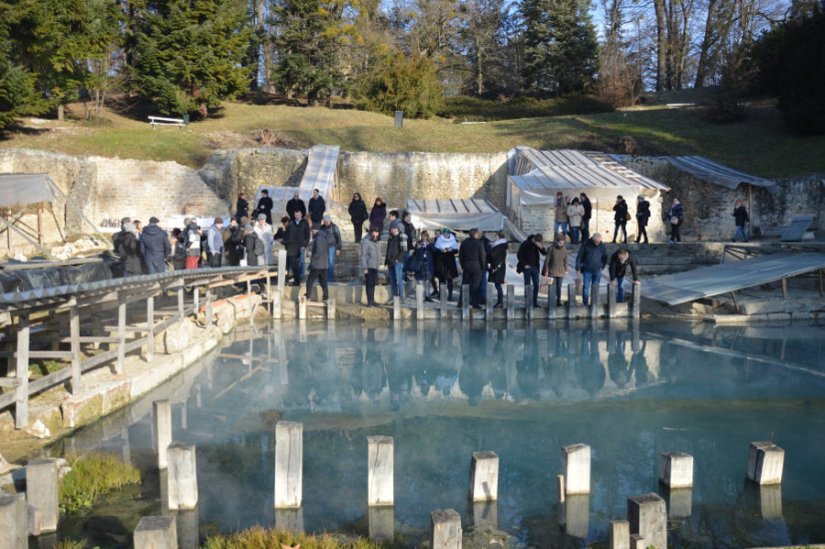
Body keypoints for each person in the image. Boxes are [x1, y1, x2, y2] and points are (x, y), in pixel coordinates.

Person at [576, 232, 607, 306]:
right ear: (593, 239)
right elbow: (579, 257)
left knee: (596, 286)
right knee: (586, 287)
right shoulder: (586, 244)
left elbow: (605, 258)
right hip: (587, 270)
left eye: (599, 241)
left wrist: (601, 267)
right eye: (596, 241)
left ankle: (594, 303)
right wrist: (578, 268)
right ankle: (585, 303)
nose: (598, 243)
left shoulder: (602, 246)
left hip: (597, 270)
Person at [458, 228, 486, 309]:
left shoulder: (464, 243)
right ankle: (475, 304)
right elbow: (482, 257)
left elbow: (460, 256)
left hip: (467, 266)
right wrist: (483, 267)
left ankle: (460, 302)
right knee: (475, 286)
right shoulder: (479, 244)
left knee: (464, 284)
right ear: (475, 234)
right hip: (477, 267)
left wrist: (463, 265)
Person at [517, 234, 546, 307]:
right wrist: (524, 265)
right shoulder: (525, 243)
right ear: (533, 240)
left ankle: (535, 302)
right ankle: (527, 302)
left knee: (536, 285)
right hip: (527, 268)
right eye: (536, 242)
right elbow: (519, 255)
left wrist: (540, 246)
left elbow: (544, 253)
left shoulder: (537, 244)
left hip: (535, 268)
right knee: (527, 285)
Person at [305, 225, 331, 301]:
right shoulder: (324, 237)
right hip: (324, 264)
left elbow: (318, 251)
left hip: (317, 264)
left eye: (312, 231)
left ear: (315, 230)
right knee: (323, 282)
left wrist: (312, 257)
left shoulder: (318, 238)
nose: (311, 232)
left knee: (310, 280)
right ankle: (326, 297)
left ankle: (308, 296)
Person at [285, 211, 310, 285]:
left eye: (298, 215)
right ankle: (296, 276)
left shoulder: (305, 222)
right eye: (296, 215)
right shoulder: (292, 223)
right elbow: (288, 234)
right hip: (293, 247)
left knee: (302, 261)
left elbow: (308, 235)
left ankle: (302, 276)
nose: (297, 216)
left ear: (301, 214)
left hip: (301, 246)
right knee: (294, 263)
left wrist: (305, 244)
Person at [543, 233, 568, 307]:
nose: (561, 244)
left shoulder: (564, 249)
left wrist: (566, 269)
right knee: (552, 288)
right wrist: (546, 271)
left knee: (559, 288)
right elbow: (547, 261)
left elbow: (566, 260)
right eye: (560, 242)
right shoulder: (551, 248)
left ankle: (558, 302)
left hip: (561, 271)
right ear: (557, 241)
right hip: (552, 271)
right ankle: (551, 302)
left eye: (563, 243)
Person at [434, 227, 459, 301]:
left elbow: (456, 250)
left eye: (447, 233)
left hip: (450, 262)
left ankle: (450, 295)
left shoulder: (453, 239)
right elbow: (436, 250)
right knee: (442, 279)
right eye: (445, 233)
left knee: (450, 279)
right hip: (442, 261)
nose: (446, 235)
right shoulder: (439, 239)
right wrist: (441, 250)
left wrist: (451, 250)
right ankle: (442, 295)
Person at [409, 231, 436, 297]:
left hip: (428, 264)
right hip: (421, 264)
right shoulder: (418, 243)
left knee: (427, 281)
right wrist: (418, 248)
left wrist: (429, 244)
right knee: (420, 280)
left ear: (427, 236)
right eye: (422, 236)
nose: (423, 237)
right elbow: (415, 253)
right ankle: (420, 295)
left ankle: (427, 295)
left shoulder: (430, 243)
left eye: (424, 236)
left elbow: (434, 251)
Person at [361, 227, 381, 307]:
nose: (376, 234)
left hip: (375, 266)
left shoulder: (377, 242)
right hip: (369, 266)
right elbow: (363, 255)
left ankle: (372, 300)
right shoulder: (366, 242)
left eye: (377, 233)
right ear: (372, 232)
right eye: (375, 232)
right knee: (369, 284)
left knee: (373, 284)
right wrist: (364, 267)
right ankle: (369, 302)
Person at [487, 231, 507, 308]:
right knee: (497, 284)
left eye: (496, 236)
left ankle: (500, 302)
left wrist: (489, 251)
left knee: (498, 285)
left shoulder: (499, 246)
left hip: (498, 267)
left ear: (498, 237)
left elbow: (493, 255)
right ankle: (500, 302)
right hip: (500, 267)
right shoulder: (502, 245)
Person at [385, 224, 405, 301]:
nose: (391, 230)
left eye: (392, 228)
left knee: (398, 279)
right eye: (391, 229)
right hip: (390, 262)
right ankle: (395, 297)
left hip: (398, 262)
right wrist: (386, 261)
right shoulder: (390, 238)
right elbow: (388, 250)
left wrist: (397, 259)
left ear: (396, 229)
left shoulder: (401, 237)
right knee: (392, 280)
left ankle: (401, 296)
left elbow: (403, 250)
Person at [321, 214, 342, 281]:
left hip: (331, 247)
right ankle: (324, 277)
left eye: (327, 222)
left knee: (330, 262)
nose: (326, 223)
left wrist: (338, 248)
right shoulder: (322, 227)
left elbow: (338, 238)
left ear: (330, 221)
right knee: (324, 262)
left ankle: (330, 278)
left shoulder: (334, 227)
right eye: (325, 222)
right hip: (323, 247)